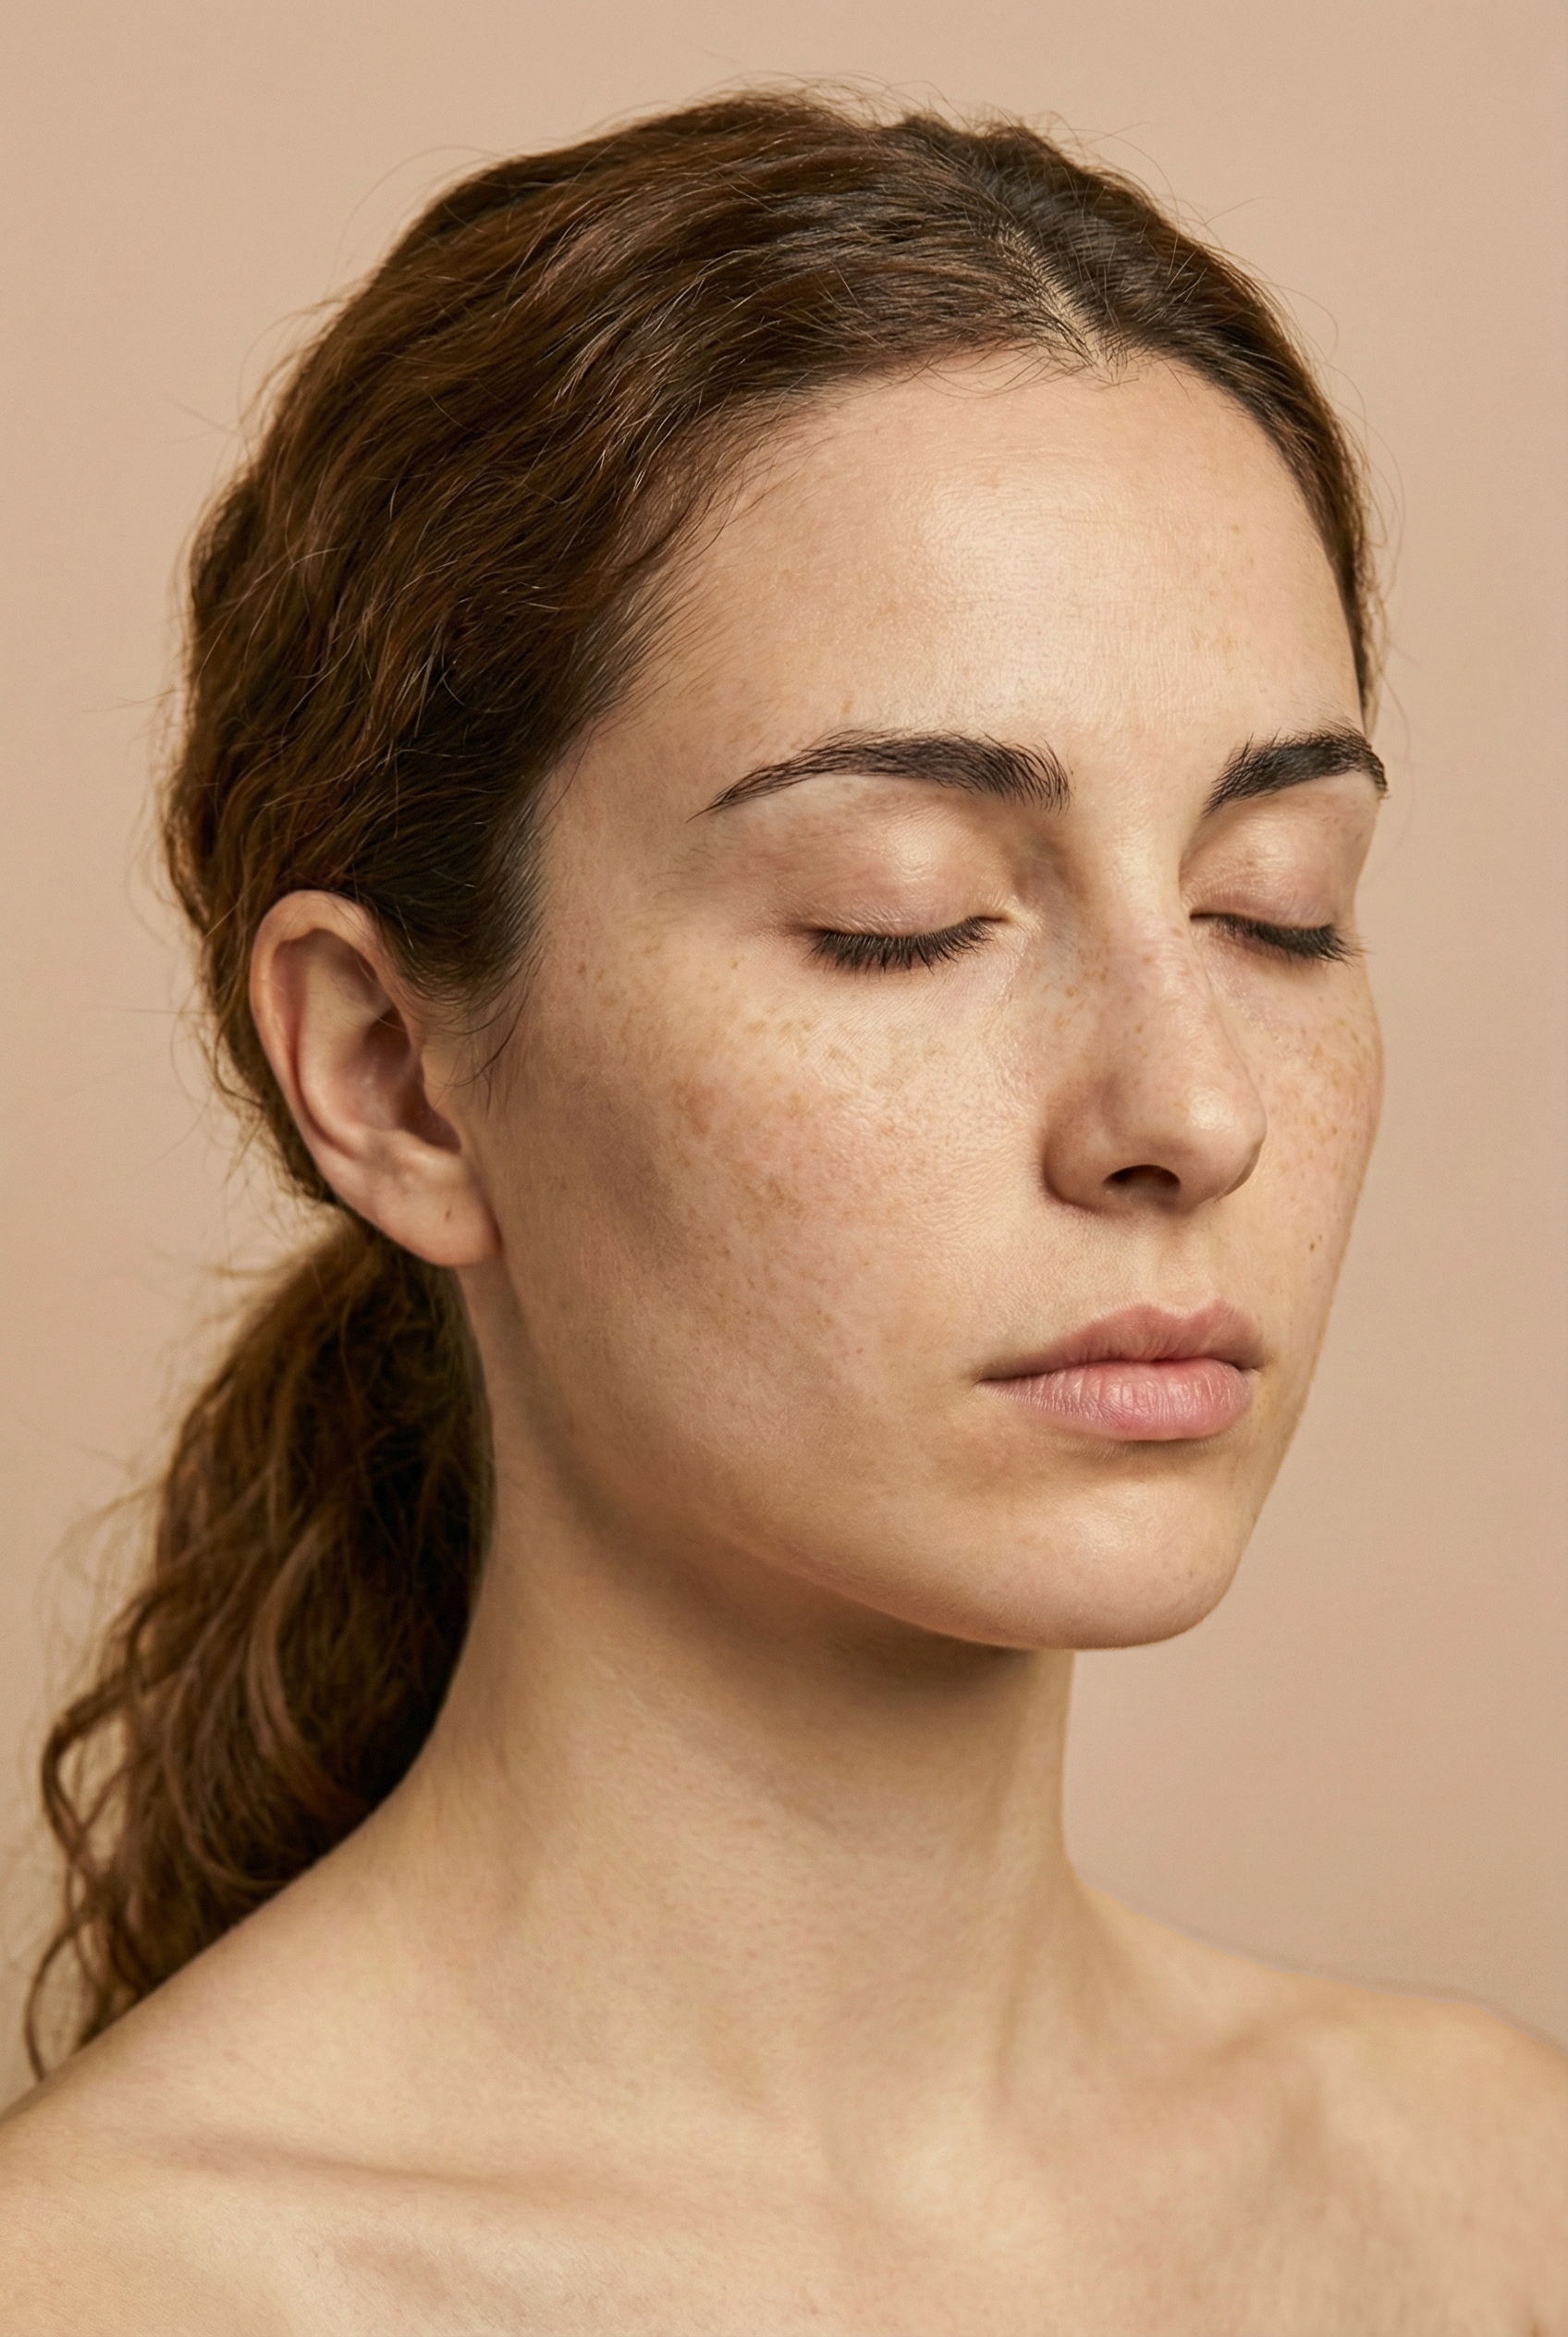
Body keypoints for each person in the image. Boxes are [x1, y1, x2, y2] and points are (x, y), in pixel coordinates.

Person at [0, 91, 1562, 2333]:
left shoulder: (1495, 2211)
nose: (1185, 1108)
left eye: (1273, 908)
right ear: (389, 1071)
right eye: (897, 917)